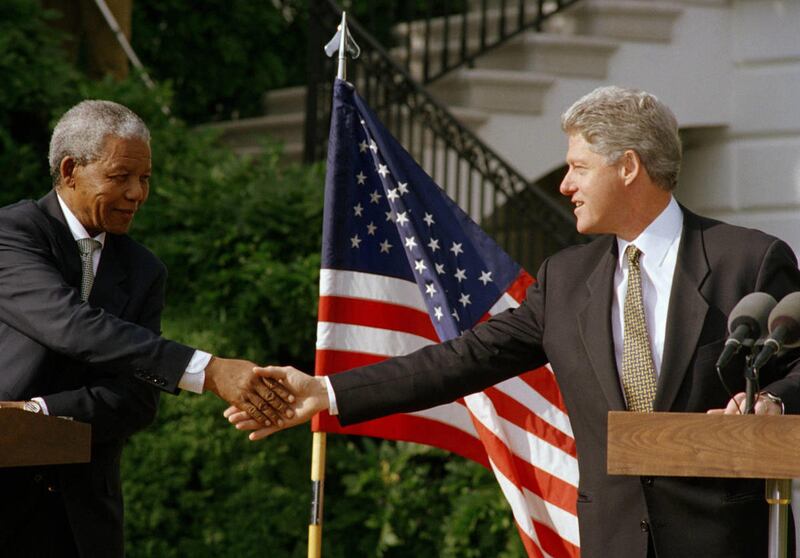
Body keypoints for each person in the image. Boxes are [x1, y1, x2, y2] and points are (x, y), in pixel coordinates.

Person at [227, 86, 800, 558]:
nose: (565, 185)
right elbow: (461, 360)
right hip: (612, 541)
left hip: (728, 541)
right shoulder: (566, 278)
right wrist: (326, 391)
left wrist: (774, 401)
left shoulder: (749, 260)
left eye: (578, 167)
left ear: (628, 166)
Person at [0, 100, 292, 557]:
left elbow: (136, 400)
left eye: (145, 178)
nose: (137, 193)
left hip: (83, 523)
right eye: (121, 177)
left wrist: (36, 414)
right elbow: (69, 326)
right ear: (71, 170)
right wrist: (208, 370)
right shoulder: (13, 233)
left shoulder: (143, 271)